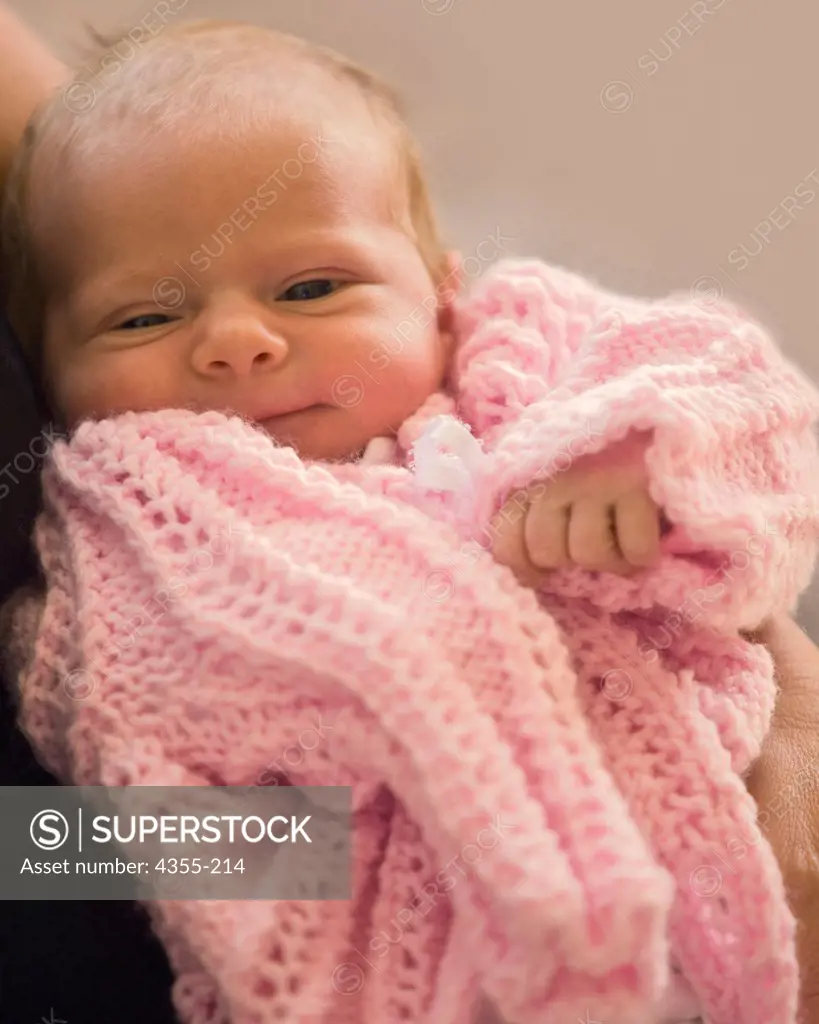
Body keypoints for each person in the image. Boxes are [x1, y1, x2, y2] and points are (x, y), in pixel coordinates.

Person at [0, 7, 818, 1022]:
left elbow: (733, 390)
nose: (236, 340)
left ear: (439, 298)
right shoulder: (133, 535)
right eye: (145, 316)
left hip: (724, 831)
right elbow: (94, 833)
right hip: (444, 953)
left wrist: (639, 454)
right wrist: (436, 830)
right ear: (51, 367)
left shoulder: (519, 360)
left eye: (311, 287)